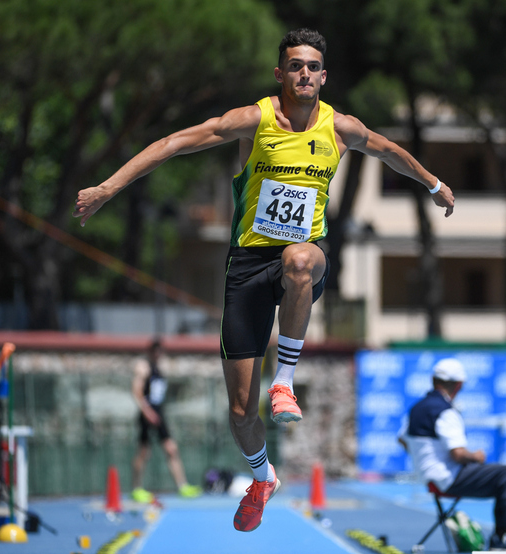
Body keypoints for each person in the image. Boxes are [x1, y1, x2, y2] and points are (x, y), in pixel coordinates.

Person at [73, 28, 455, 531]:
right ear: (281, 74)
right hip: (247, 265)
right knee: (239, 411)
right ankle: (261, 477)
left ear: (323, 76)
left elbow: (388, 151)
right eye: (294, 65)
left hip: (305, 258)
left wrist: (433, 184)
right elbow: (173, 144)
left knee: (300, 260)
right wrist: (107, 187)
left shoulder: (339, 128)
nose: (304, 74)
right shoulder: (253, 120)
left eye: (312, 66)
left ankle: (286, 381)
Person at [398, 358, 506, 550]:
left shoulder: (416, 408)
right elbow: (458, 454)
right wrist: (476, 456)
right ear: (459, 385)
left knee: (502, 479)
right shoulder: (445, 411)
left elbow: (402, 439)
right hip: (449, 477)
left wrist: (424, 458)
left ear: (433, 380)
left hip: (429, 476)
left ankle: (500, 537)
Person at [131, 339, 201, 503]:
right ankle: (136, 488)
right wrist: (147, 412)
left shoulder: (160, 368)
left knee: (171, 449)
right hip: (147, 414)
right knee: (143, 452)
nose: (157, 354)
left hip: (158, 413)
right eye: (154, 351)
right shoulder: (143, 367)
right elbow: (136, 391)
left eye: (159, 351)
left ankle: (182, 485)